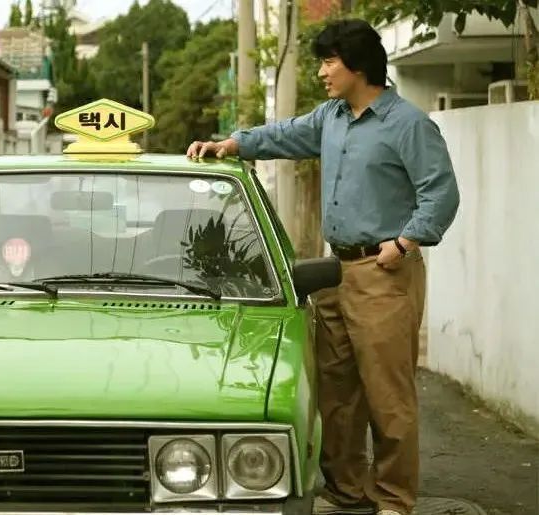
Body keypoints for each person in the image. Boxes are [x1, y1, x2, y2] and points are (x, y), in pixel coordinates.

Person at [186, 19, 459, 515]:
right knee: (336, 394)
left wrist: (404, 242)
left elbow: (440, 193)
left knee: (388, 396)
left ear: (358, 66)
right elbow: (285, 135)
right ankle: (347, 490)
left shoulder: (407, 124)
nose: (321, 72)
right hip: (336, 272)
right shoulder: (331, 117)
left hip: (383, 272)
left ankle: (394, 499)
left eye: (329, 62)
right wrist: (233, 144)